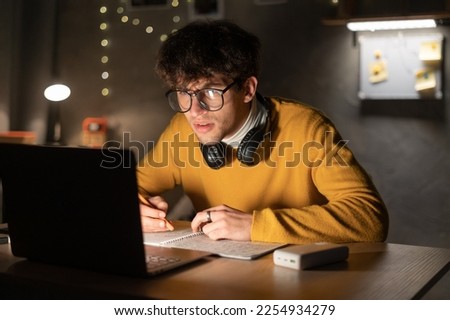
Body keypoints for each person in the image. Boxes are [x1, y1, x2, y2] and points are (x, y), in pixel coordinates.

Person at [136, 19, 389, 244]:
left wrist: (254, 226)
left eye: (211, 92)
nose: (195, 111)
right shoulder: (181, 128)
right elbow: (124, 188)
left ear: (247, 89)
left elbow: (370, 218)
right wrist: (133, 208)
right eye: (184, 93)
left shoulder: (308, 127)